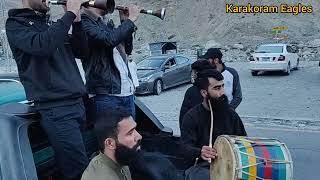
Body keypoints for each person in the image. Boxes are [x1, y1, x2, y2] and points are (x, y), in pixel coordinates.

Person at [5, 0, 89, 179]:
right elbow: (42, 45)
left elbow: (82, 51)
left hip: (76, 104)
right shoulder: (15, 24)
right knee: (78, 171)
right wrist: (69, 15)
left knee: (83, 162)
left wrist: (77, 22)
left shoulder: (50, 24)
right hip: (56, 109)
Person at [180, 69, 246, 179]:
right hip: (203, 167)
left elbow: (243, 140)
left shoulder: (231, 114)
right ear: (204, 93)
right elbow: (185, 148)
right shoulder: (191, 117)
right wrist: (200, 152)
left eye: (222, 86)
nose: (222, 92)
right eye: (217, 88)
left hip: (232, 165)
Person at [81, 2, 141, 118]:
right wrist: (131, 20)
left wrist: (124, 21)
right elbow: (108, 40)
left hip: (125, 91)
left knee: (129, 134)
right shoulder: (85, 22)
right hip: (105, 95)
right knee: (111, 135)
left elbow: (127, 49)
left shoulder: (105, 23)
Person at [81, 108, 142, 180]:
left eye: (135, 129)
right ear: (110, 143)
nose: (139, 136)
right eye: (130, 133)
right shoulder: (104, 177)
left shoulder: (120, 157)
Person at [179, 60, 215, 128]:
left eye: (193, 71)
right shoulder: (215, 89)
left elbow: (184, 116)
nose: (192, 74)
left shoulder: (192, 91)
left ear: (196, 73)